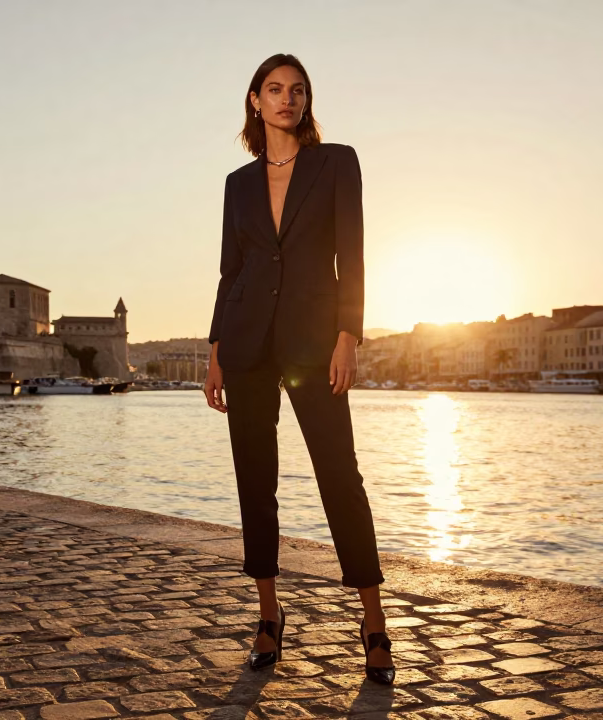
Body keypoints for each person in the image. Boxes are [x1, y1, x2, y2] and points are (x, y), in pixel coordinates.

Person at [202, 53, 394, 685]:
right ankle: (267, 615)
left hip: (316, 344)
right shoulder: (236, 184)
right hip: (247, 343)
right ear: (255, 100)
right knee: (255, 483)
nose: (288, 98)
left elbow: (353, 253)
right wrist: (215, 354)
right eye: (275, 89)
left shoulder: (336, 162)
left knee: (340, 476)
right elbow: (231, 273)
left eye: (299, 90)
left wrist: (348, 335)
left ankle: (372, 622)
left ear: (308, 101)